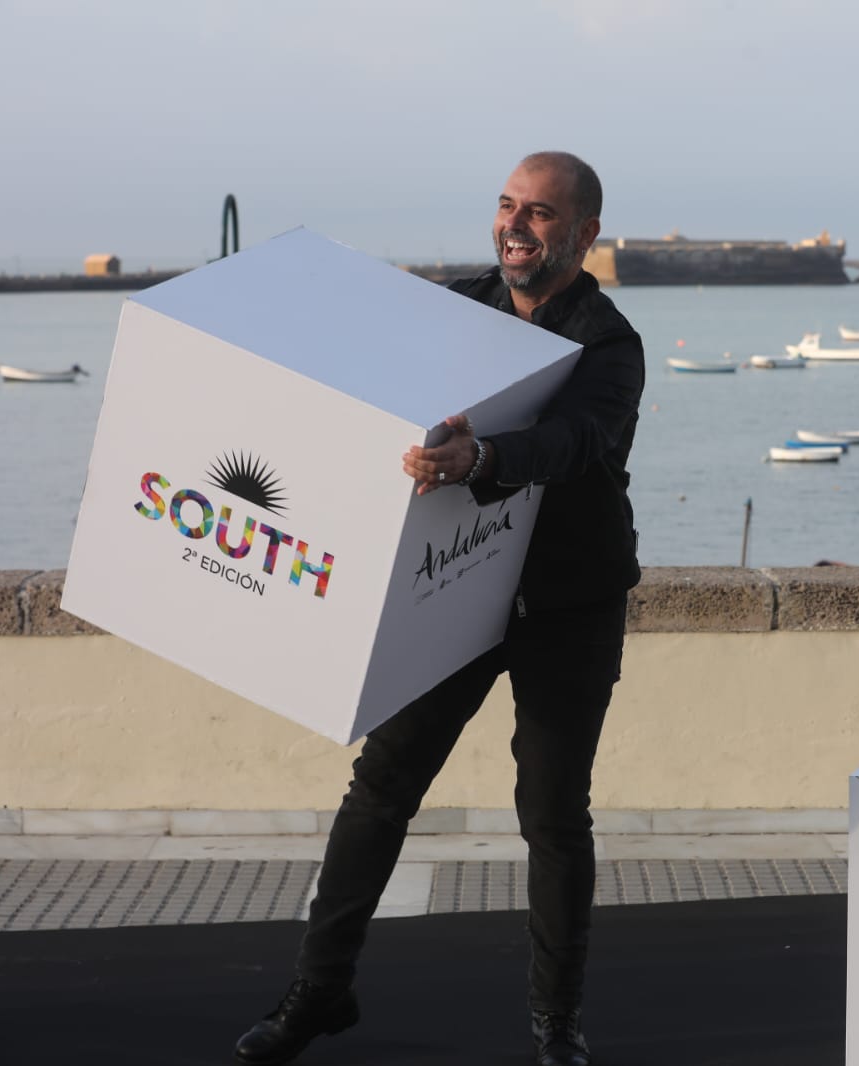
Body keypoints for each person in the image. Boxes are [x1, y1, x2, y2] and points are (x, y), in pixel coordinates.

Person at [234, 150, 644, 1066]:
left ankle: (556, 1023)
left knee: (551, 815)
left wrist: (482, 459)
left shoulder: (610, 342)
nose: (516, 225)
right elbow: (363, 386)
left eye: (540, 214)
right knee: (380, 791)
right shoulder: (455, 305)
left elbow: (578, 439)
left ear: (583, 235)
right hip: (451, 584)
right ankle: (317, 993)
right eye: (506, 206)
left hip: (567, 605)